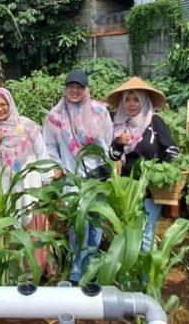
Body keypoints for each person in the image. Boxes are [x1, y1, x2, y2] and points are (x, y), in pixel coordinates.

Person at [43, 70, 113, 285]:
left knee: (96, 222)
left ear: (86, 89)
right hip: (72, 178)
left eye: (79, 87)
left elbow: (108, 142)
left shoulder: (100, 111)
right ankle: (76, 269)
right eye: (70, 86)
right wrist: (58, 166)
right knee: (77, 223)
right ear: (65, 88)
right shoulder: (55, 117)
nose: (74, 90)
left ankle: (91, 265)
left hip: (97, 177)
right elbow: (49, 145)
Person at [0, 87, 56, 273]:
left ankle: (34, 270)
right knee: (8, 223)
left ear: (10, 104)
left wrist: (46, 180)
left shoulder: (27, 125)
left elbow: (41, 152)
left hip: (29, 183)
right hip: (4, 185)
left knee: (31, 222)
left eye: (3, 104)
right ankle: (11, 271)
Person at [106, 77, 180, 252]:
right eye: (127, 100)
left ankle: (146, 278)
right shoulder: (120, 124)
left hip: (150, 189)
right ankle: (131, 275)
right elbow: (113, 155)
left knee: (146, 235)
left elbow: (172, 149)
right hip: (128, 188)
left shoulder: (154, 122)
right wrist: (118, 143)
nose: (131, 104)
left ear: (144, 101)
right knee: (128, 232)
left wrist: (168, 169)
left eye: (136, 100)